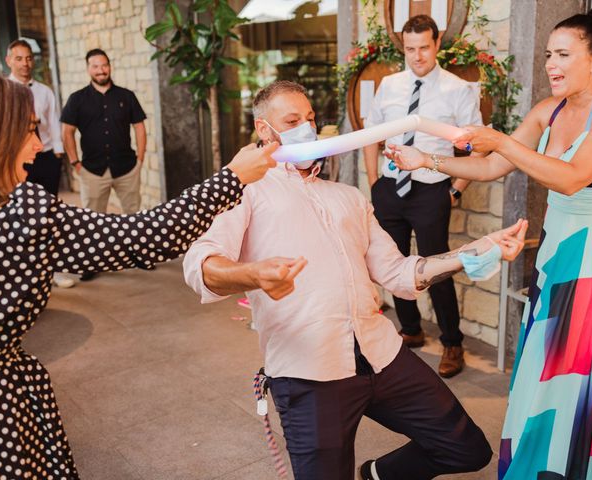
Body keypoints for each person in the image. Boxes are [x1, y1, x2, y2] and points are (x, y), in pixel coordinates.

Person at [183, 80, 528, 480]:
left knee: (466, 448)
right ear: (265, 130)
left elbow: (399, 275)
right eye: (292, 120)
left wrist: (476, 251)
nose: (307, 128)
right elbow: (200, 266)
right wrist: (252, 275)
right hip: (308, 372)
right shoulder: (243, 193)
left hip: (381, 355)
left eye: (310, 118)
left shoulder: (348, 197)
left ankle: (376, 474)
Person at [0, 72, 277, 480]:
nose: (37, 144)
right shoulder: (27, 214)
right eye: (28, 130)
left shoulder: (25, 209)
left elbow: (140, 238)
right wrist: (231, 178)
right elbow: (144, 236)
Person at [387, 8, 592, 478]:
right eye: (547, 55)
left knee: (590, 369)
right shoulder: (548, 110)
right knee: (547, 367)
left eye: (563, 54)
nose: (550, 65)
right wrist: (426, 162)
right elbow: (491, 167)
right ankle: (543, 466)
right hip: (559, 256)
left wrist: (498, 139)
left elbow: (574, 177)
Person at [363, 14, 483, 378]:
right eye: (410, 49)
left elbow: (476, 146)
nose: (417, 56)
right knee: (391, 260)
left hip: (432, 189)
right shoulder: (389, 85)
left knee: (438, 266)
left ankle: (452, 342)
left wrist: (455, 191)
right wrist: (374, 183)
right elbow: (373, 134)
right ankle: (411, 329)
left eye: (424, 48)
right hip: (390, 189)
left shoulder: (457, 89)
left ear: (437, 43)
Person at [5, 39, 75, 288]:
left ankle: (51, 270)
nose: (25, 63)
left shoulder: (45, 91)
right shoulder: (1, 90)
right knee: (19, 216)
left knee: (46, 215)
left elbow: (55, 124)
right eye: (19, 58)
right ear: (9, 61)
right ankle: (24, 272)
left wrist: (58, 155)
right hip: (15, 161)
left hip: (45, 157)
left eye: (28, 58)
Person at [61, 48, 146, 215]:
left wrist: (140, 160)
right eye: (95, 66)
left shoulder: (126, 96)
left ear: (110, 67)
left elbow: (139, 127)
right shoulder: (76, 99)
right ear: (88, 69)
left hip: (127, 169)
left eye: (104, 65)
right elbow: (67, 132)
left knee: (134, 216)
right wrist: (75, 163)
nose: (101, 70)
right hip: (92, 171)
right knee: (92, 221)